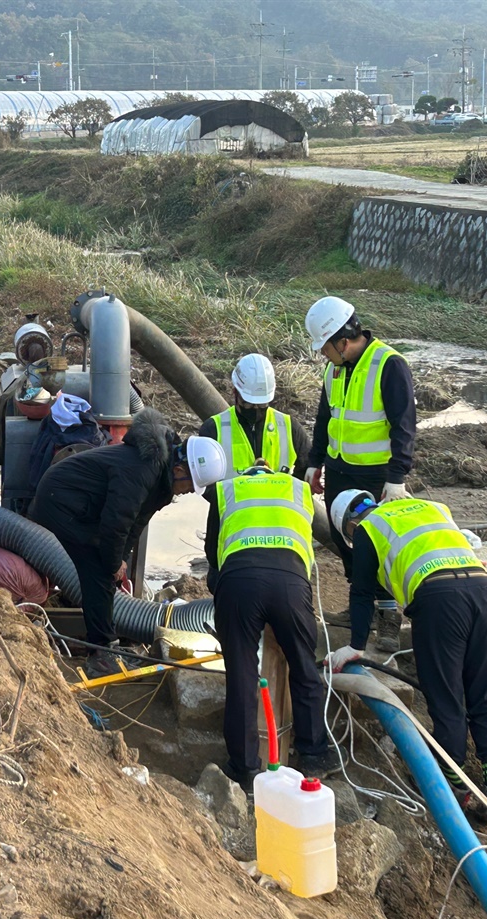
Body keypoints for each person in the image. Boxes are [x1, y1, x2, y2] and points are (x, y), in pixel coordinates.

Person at [328, 489, 487, 819]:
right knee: (486, 692)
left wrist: (355, 646)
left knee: (446, 695)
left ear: (351, 526)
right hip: (485, 590)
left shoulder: (370, 529)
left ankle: (456, 787)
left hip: (439, 600)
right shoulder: (432, 508)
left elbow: (361, 593)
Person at [29, 410, 227, 677]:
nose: (191, 492)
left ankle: (106, 645)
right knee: (98, 570)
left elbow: (137, 521)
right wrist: (112, 563)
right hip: (61, 501)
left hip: (85, 506)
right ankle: (100, 655)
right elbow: (116, 522)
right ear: (180, 469)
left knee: (106, 568)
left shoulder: (163, 477)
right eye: (191, 486)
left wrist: (121, 557)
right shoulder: (142, 470)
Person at [207, 464, 332, 789]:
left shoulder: (228, 491)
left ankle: (245, 768)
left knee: (242, 674)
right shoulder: (297, 490)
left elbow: (212, 552)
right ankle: (314, 753)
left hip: (239, 580)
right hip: (289, 580)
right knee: (305, 666)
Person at [304, 296, 416, 651]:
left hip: (375, 477)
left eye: (325, 348)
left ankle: (388, 617)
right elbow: (326, 418)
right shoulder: (335, 369)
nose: (323, 355)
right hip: (340, 469)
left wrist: (396, 477)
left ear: (343, 341)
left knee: (377, 546)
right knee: (346, 541)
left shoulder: (388, 365)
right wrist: (314, 461)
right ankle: (361, 609)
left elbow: (404, 426)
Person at [199, 353, 309, 479]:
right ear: (235, 392)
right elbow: (204, 480)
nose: (256, 409)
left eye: (262, 404)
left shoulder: (289, 427)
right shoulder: (213, 429)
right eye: (249, 404)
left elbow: (308, 468)